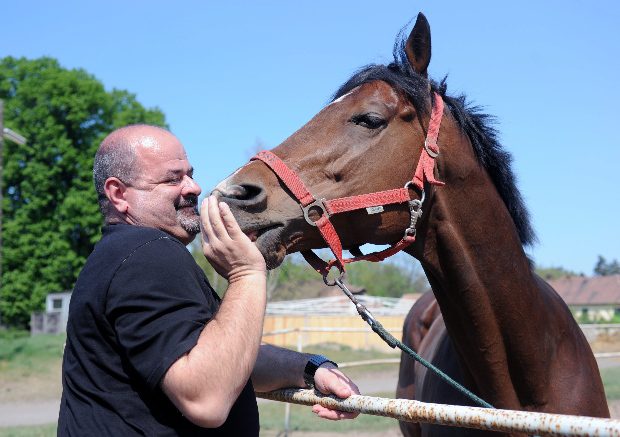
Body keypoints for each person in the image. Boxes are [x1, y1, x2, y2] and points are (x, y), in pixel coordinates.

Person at [57, 125, 360, 436]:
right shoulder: (149, 255)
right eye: (173, 178)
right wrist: (246, 274)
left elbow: (220, 359)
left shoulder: (122, 255)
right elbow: (206, 399)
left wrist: (309, 368)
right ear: (118, 194)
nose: (194, 187)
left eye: (190, 174)